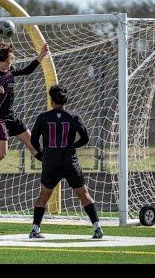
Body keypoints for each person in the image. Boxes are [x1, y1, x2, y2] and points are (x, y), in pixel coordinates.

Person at [0, 42, 48, 191]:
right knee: (1, 153)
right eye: (3, 62)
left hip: (12, 116)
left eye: (8, 61)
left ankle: (52, 168)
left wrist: (41, 55)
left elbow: (27, 71)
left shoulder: (11, 71)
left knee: (33, 145)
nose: (7, 65)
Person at [28, 85, 103, 239]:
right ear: (64, 100)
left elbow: (33, 140)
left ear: (51, 100)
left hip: (51, 163)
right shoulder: (73, 116)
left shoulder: (43, 117)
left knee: (44, 195)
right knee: (83, 194)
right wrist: (72, 146)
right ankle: (97, 228)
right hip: (69, 162)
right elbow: (85, 138)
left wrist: (43, 154)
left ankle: (35, 229)